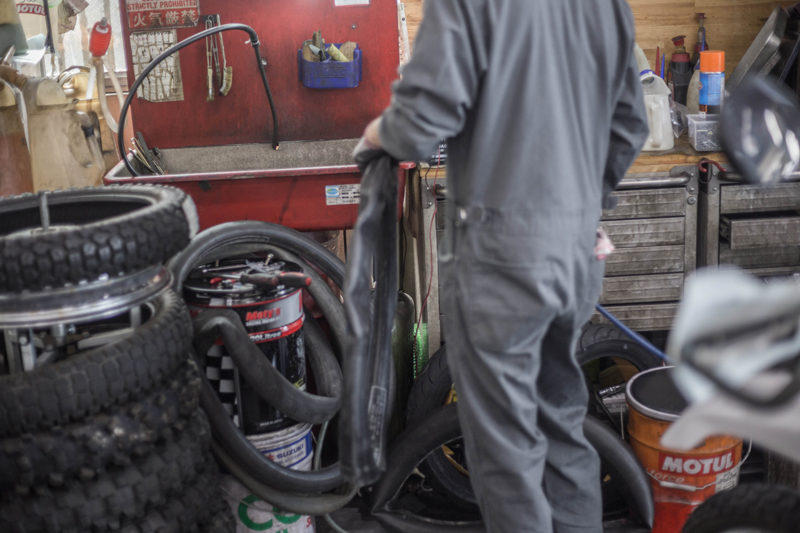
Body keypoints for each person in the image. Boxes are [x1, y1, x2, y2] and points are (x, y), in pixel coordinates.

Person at [357, 1, 648, 531]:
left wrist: (380, 134)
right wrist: (578, 205)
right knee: (561, 427)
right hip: (576, 253)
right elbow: (630, 126)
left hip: (503, 262)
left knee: (505, 453)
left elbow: (422, 124)